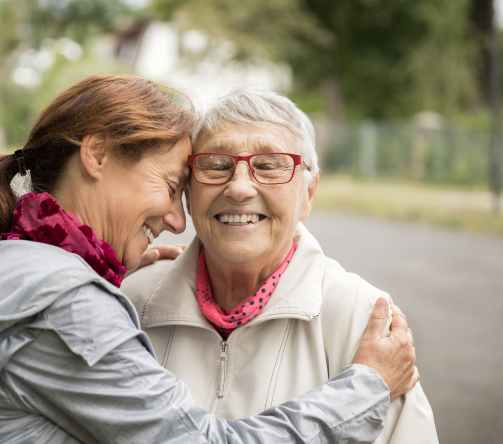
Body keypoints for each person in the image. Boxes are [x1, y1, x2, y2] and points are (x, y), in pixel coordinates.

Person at [0, 75, 418, 444]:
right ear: (96, 155)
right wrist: (366, 386)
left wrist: (93, 285)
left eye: (271, 166)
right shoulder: (72, 305)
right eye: (173, 183)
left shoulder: (17, 265)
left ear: (309, 189)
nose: (177, 218)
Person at [122, 87, 437, 443]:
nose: (239, 188)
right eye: (216, 165)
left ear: (309, 194)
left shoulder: (363, 319)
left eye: (269, 166)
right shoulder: (130, 301)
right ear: (189, 193)